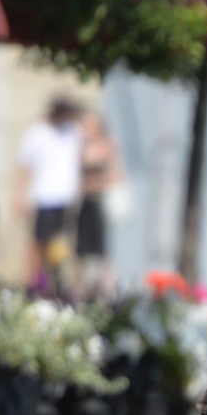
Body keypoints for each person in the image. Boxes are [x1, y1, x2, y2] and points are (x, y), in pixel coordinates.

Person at [15, 95, 84, 291]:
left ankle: (55, 285)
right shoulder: (38, 132)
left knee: (60, 247)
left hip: (65, 198)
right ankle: (33, 285)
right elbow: (24, 168)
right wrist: (20, 197)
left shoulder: (73, 132)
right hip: (44, 197)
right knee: (39, 244)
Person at [73, 108, 123, 300]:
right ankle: (81, 292)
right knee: (81, 251)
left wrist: (99, 182)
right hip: (85, 202)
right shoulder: (81, 145)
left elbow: (117, 174)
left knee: (101, 250)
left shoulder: (107, 146)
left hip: (100, 202)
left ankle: (105, 292)